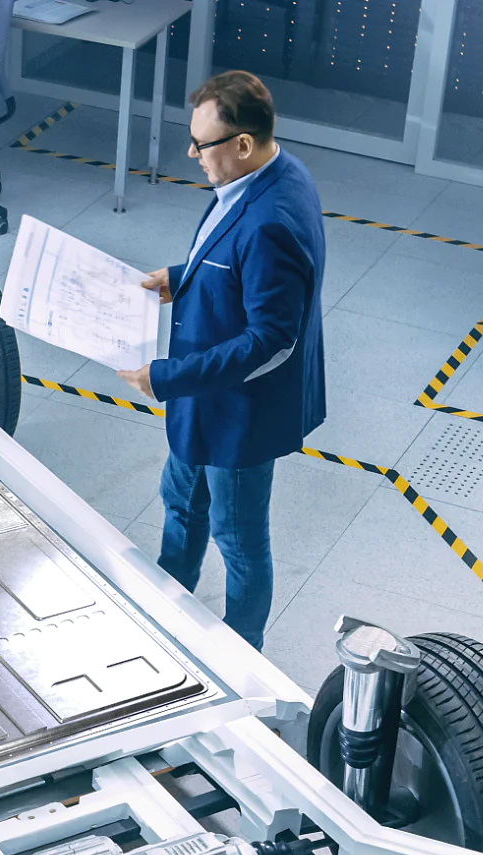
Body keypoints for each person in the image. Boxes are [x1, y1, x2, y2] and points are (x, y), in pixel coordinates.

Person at [120, 71, 326, 652]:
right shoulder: (269, 175)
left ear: (241, 143)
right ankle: (163, 618)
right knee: (181, 504)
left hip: (238, 416)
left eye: (202, 145)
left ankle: (242, 658)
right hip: (204, 401)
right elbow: (234, 266)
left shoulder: (271, 222)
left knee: (238, 540)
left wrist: (167, 378)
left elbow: (271, 340)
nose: (191, 155)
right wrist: (182, 279)